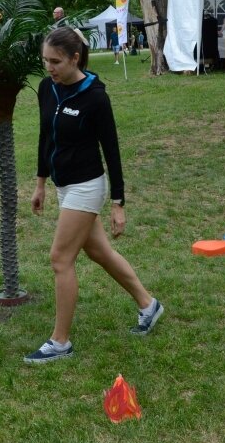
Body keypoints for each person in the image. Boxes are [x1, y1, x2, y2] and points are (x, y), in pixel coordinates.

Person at [25, 26, 163, 364]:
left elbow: (111, 150)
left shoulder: (95, 97)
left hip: (87, 186)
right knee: (99, 252)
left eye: (56, 61)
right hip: (63, 184)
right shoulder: (47, 88)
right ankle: (149, 305)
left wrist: (118, 203)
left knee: (60, 259)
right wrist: (41, 182)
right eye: (45, 61)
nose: (50, 68)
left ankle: (60, 343)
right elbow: (45, 137)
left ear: (75, 58)